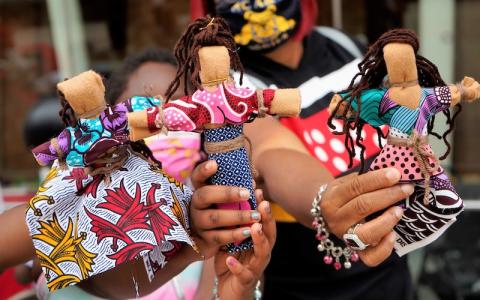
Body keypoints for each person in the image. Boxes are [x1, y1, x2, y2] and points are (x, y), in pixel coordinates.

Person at [192, 0, 415, 299]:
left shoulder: (344, 45)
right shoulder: (224, 87)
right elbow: (271, 153)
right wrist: (326, 200)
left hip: (395, 278)